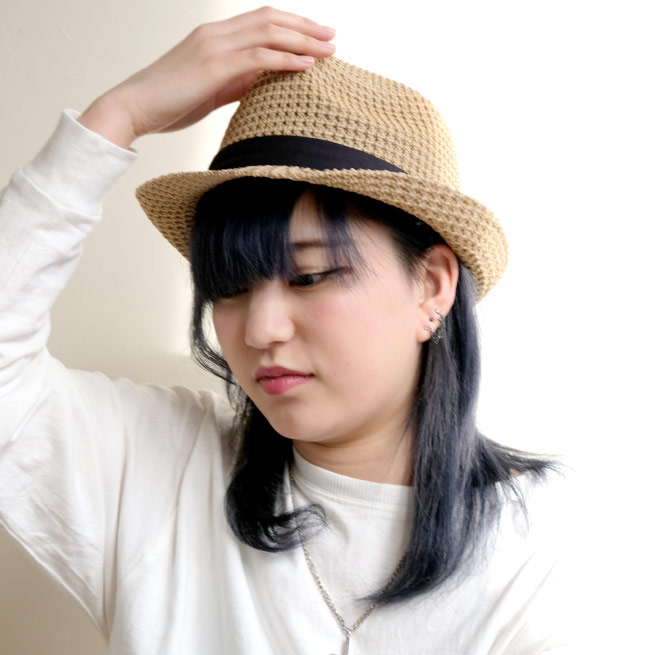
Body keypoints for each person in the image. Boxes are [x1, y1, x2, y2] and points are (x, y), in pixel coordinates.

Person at [0, 6, 575, 654]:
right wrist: (118, 116)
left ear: (432, 285)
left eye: (309, 276)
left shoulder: (545, 544)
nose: (260, 329)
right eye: (229, 286)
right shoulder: (159, 473)